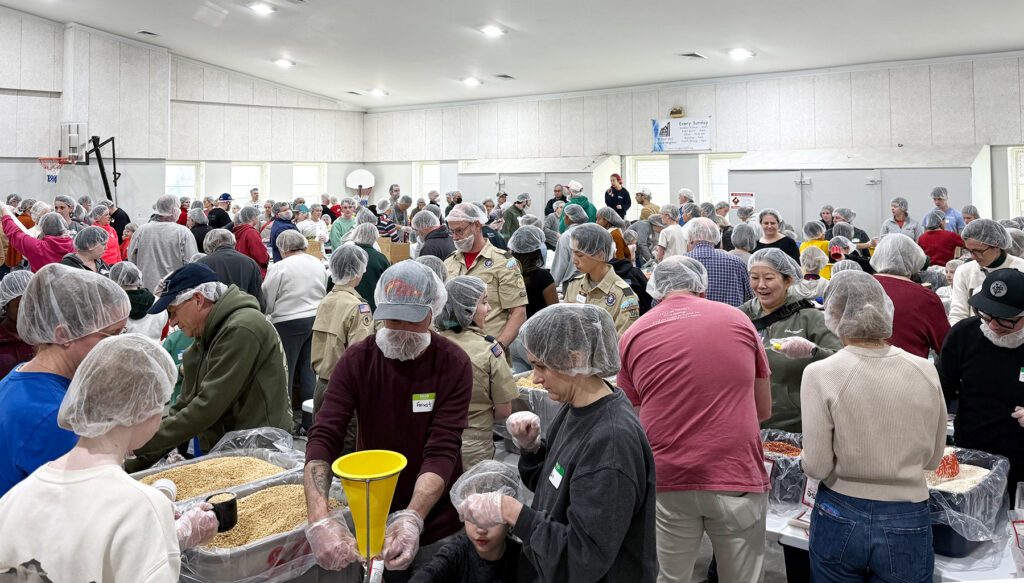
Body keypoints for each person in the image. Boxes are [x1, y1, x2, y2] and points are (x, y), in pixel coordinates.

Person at [457, 304, 658, 581]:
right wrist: (532, 450)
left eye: (541, 366)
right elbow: (555, 487)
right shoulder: (576, 405)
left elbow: (584, 557)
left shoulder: (610, 443)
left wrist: (512, 511)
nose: (535, 377)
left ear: (574, 360)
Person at [0, 334, 220, 582]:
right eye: (163, 403)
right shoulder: (141, 509)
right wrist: (172, 532)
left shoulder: (14, 500)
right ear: (144, 410)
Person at [304, 261, 472, 580]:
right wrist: (319, 517)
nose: (398, 329)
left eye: (410, 320)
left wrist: (412, 518)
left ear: (432, 312)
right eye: (391, 319)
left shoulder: (453, 363)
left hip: (435, 518)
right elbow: (323, 436)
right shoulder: (358, 360)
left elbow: (442, 449)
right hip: (372, 510)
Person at [619, 257, 771, 582]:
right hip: (734, 472)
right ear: (703, 287)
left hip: (668, 476)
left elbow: (633, 419)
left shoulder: (633, 334)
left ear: (656, 290)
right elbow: (763, 410)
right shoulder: (739, 320)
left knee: (672, 577)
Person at [802, 271, 947, 583]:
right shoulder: (925, 370)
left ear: (833, 315)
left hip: (841, 508)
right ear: (885, 310)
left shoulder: (820, 372)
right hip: (908, 511)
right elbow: (935, 459)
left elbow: (815, 465)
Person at [125, 263, 291, 470]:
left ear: (198, 299)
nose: (173, 322)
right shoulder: (206, 333)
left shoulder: (242, 328)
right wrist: (136, 461)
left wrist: (140, 444)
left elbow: (207, 406)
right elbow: (186, 403)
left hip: (258, 449)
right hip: (230, 445)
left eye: (173, 311)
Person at [0, 264, 129, 496]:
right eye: (111, 335)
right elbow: (85, 511)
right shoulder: (56, 418)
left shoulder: (22, 375)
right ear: (64, 334)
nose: (118, 345)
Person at [939, 269, 1024, 501]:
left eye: (1006, 320)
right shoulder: (964, 335)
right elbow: (941, 390)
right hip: (973, 452)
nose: (994, 325)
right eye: (987, 315)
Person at [738, 249, 843, 433]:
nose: (761, 285)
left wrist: (812, 352)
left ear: (788, 280)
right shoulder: (739, 316)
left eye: (769, 278)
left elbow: (840, 361)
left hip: (794, 425)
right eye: (754, 277)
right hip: (746, 422)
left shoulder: (809, 317)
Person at [435, 277, 518, 469]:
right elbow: (504, 410)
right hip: (474, 447)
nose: (489, 309)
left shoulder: (432, 344)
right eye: (484, 302)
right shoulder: (489, 350)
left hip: (435, 442)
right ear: (467, 309)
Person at [411, 461, 536, 583]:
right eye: (473, 517)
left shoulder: (522, 559)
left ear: (509, 520)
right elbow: (429, 573)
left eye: (492, 519)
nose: (481, 530)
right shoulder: (456, 553)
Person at [445, 203, 528, 353]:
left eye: (459, 231)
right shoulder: (450, 262)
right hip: (454, 351)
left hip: (488, 350)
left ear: (477, 225)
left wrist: (498, 349)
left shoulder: (504, 263)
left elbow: (518, 312)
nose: (455, 237)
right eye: (452, 232)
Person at [263, 230, 327, 424]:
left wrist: (268, 313)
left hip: (288, 321)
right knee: (309, 372)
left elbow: (267, 296)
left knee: (286, 372)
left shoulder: (280, 267)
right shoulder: (318, 263)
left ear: (282, 249)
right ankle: (309, 421)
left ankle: (286, 421)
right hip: (316, 318)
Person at [311, 245, 373, 424]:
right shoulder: (358, 307)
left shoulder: (326, 300)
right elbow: (359, 354)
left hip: (321, 385)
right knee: (346, 447)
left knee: (323, 441)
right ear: (358, 272)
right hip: (344, 388)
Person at [869, 234, 949, 358]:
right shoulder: (925, 298)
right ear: (914, 260)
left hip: (860, 372)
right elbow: (947, 347)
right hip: (909, 372)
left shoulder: (861, 288)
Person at [564, 223, 639, 337]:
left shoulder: (624, 297)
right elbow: (565, 326)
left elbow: (621, 344)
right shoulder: (575, 285)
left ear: (600, 255)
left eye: (579, 255)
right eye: (573, 253)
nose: (574, 261)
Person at [948, 219, 1024, 325]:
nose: (973, 257)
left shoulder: (1021, 268)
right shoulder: (964, 272)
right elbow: (958, 314)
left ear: (997, 246)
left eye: (978, 251)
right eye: (970, 251)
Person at [128, 195, 199, 291]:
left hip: (146, 288)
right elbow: (192, 262)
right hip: (173, 290)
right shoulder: (183, 232)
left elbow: (131, 259)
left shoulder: (141, 230)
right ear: (174, 211)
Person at [683, 217, 752, 307]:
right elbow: (750, 299)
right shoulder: (737, 263)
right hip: (731, 319)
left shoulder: (680, 263)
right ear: (716, 237)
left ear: (690, 237)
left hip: (693, 319)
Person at [198, 228, 266, 311]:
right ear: (232, 241)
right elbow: (259, 300)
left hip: (215, 316)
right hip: (244, 313)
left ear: (209, 244)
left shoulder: (202, 264)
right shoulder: (250, 263)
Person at [109, 261, 169, 341]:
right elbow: (164, 334)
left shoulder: (110, 306)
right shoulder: (158, 303)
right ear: (138, 278)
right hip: (153, 351)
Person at [1, 207, 74, 272]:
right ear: (64, 226)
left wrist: (5, 213)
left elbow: (14, 234)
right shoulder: (75, 247)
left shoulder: (37, 247)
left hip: (41, 286)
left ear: (42, 228)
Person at [508, 226, 557, 317]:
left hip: (511, 328)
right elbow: (555, 312)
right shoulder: (543, 277)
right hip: (538, 329)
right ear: (537, 251)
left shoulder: (506, 273)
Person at [352, 223, 391, 313]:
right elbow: (388, 285)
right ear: (375, 237)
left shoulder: (346, 254)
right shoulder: (380, 258)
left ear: (356, 234)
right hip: (373, 308)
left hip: (349, 306)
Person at [0, 271, 32, 378]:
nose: (26, 310)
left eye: (30, 303)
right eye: (19, 305)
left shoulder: (39, 337)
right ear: (5, 305)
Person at [550, 204, 588, 287]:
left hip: (572, 281)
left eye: (564, 216)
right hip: (590, 279)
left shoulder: (567, 236)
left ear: (569, 217)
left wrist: (553, 284)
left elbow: (561, 263)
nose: (563, 219)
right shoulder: (591, 232)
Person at [232, 206, 270, 277]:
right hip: (253, 270)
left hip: (242, 269)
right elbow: (260, 255)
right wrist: (267, 257)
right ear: (253, 218)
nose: (258, 219)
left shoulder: (238, 231)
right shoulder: (251, 232)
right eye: (257, 217)